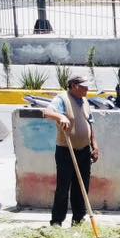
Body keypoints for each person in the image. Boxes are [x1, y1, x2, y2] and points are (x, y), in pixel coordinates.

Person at [41, 75, 100, 227]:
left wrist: (95, 145)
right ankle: (56, 221)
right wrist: (60, 116)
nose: (87, 89)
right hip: (66, 150)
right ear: (74, 85)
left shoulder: (85, 101)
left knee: (81, 186)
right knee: (63, 186)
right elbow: (46, 112)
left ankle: (78, 219)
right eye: (84, 87)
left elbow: (90, 124)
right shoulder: (62, 99)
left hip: (84, 150)